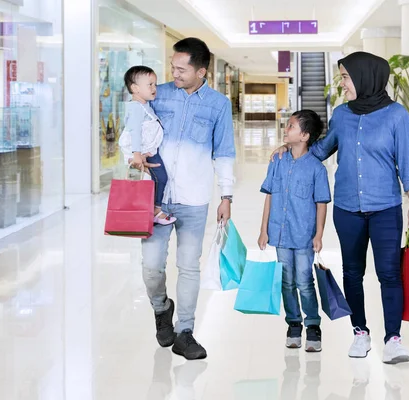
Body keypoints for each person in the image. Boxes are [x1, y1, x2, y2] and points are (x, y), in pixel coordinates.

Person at [271, 52, 409, 364]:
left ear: (366, 77)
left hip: (385, 208)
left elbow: (406, 162)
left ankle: (393, 338)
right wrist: (291, 146)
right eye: (342, 77)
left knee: (389, 273)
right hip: (348, 208)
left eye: (346, 77)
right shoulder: (341, 115)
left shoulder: (397, 116)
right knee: (352, 273)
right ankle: (360, 332)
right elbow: (323, 150)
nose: (343, 84)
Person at [139, 38, 235, 360]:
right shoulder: (159, 94)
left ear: (201, 71)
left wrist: (226, 195)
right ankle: (161, 307)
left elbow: (224, 153)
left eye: (181, 69)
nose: (174, 73)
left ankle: (185, 332)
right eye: (173, 66)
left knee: (188, 266)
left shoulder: (218, 105)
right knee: (151, 267)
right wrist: (133, 153)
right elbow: (135, 128)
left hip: (194, 199)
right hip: (156, 198)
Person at [258, 110, 331, 353]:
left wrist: (319, 234)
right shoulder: (277, 161)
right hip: (279, 233)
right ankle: (293, 323)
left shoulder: (317, 169)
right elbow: (269, 196)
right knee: (286, 281)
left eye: (291, 126)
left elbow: (321, 203)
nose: (286, 130)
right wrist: (263, 230)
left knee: (304, 280)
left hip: (303, 236)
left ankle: (313, 325)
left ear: (305, 135)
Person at [119, 66, 176, 225]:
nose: (154, 88)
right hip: (143, 152)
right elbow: (135, 131)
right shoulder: (136, 107)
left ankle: (152, 210)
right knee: (160, 178)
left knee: (156, 179)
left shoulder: (146, 105)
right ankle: (155, 211)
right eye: (149, 85)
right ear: (135, 88)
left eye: (155, 84)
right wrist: (137, 154)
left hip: (149, 151)